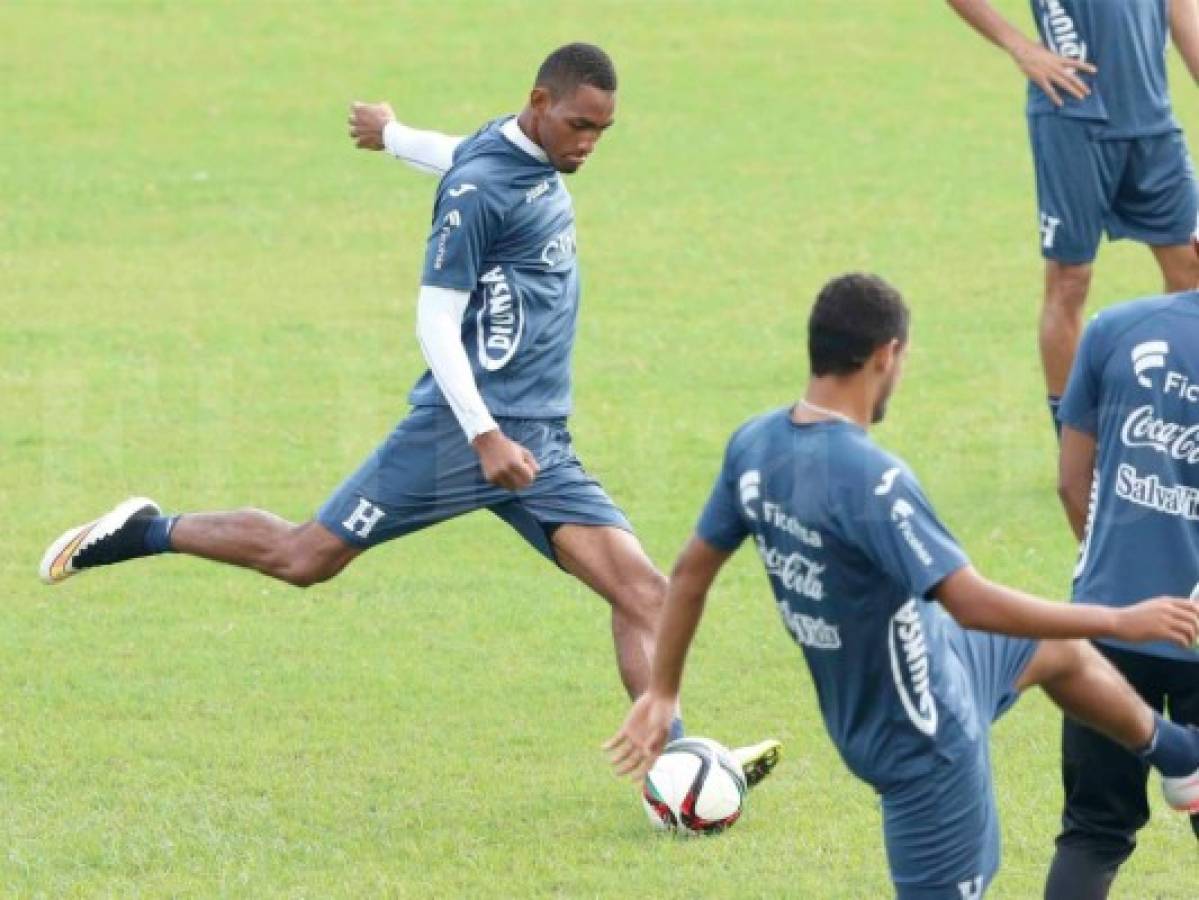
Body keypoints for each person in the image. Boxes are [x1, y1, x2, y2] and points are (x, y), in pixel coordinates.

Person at [37, 43, 778, 783]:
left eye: (603, 132)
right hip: (461, 436)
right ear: (541, 102)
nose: (589, 144)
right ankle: (145, 530)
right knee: (305, 559)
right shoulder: (481, 191)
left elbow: (460, 152)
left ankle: (679, 764)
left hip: (538, 440)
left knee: (641, 591)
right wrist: (483, 433)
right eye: (581, 125)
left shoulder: (512, 153)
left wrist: (392, 136)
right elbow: (433, 318)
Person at [605, 273, 1199, 898]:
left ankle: (1177, 754)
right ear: (887, 355)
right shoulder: (874, 481)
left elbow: (693, 572)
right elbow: (968, 601)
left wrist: (664, 692)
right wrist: (1118, 620)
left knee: (1054, 651)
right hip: (923, 736)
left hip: (931, 655)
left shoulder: (756, 446)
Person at [946, 0, 1199, 435]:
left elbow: (1183, 9)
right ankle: (1076, 440)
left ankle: (1173, 421)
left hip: (1153, 122)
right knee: (1069, 281)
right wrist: (1020, 47)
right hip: (1074, 117)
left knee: (1191, 270)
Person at [1047, 283, 1199, 896]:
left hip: (1107, 628)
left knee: (1092, 832)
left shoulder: (1115, 328)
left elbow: (1069, 480)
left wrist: (1113, 571)